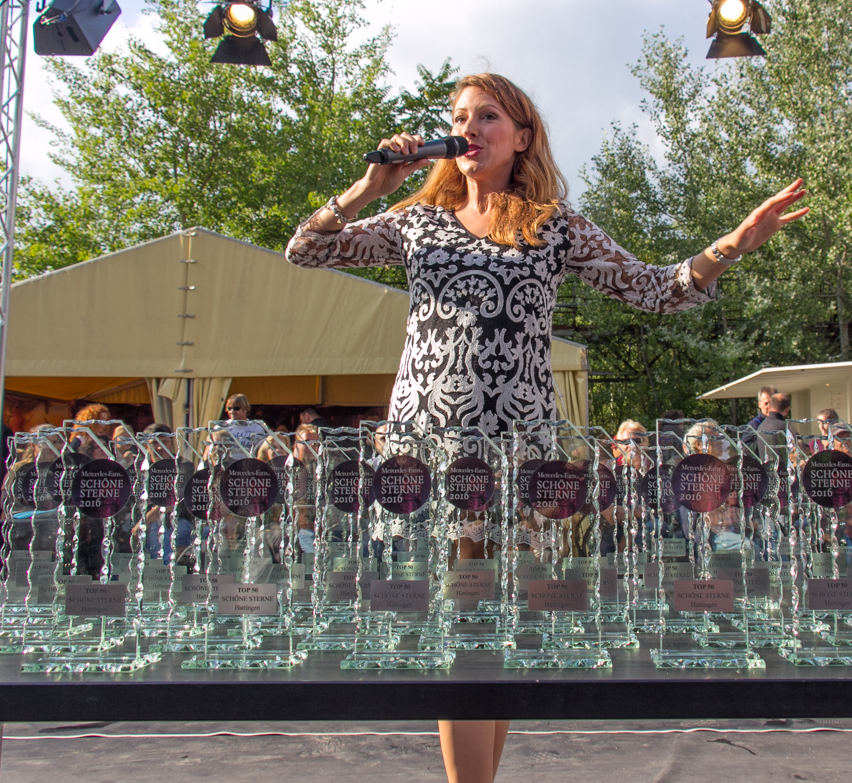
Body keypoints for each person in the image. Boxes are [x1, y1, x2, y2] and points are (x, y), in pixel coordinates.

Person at [285, 72, 809, 783]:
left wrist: (734, 244)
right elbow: (305, 250)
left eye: (487, 116)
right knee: (462, 618)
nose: (469, 128)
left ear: (522, 137)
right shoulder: (415, 219)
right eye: (459, 117)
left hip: (519, 445)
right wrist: (368, 188)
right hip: (432, 444)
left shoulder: (553, 225)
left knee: (494, 619)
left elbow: (652, 289)